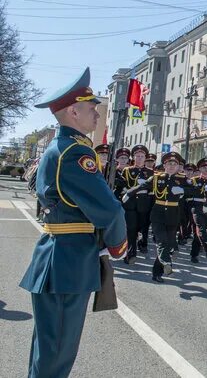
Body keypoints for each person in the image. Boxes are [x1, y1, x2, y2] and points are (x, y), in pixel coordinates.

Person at [21, 67, 127, 378]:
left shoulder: (60, 148)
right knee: (56, 356)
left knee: (47, 351)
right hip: (68, 264)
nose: (97, 115)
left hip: (57, 257)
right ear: (73, 111)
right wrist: (118, 245)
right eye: (92, 109)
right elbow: (110, 211)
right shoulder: (74, 152)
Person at [123, 152, 189, 283]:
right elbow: (142, 186)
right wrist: (129, 193)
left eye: (174, 164)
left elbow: (196, 190)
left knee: (169, 242)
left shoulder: (183, 179)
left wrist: (183, 190)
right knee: (161, 241)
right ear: (164, 165)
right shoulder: (156, 177)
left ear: (178, 166)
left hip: (173, 213)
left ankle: (156, 273)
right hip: (158, 213)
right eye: (168, 164)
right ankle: (166, 262)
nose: (171, 166)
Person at [120, 145, 153, 262]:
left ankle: (141, 243)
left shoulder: (150, 172)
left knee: (142, 227)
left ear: (145, 158)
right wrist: (126, 193)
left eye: (142, 156)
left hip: (144, 204)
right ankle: (131, 254)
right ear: (133, 157)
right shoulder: (127, 170)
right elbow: (122, 186)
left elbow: (152, 190)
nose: (139, 158)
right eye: (137, 156)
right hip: (130, 204)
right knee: (131, 228)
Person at [189, 158, 207, 263]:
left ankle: (194, 254)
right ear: (199, 169)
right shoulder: (194, 180)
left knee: (200, 232)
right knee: (201, 229)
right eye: (204, 167)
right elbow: (188, 193)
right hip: (196, 208)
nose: (206, 170)